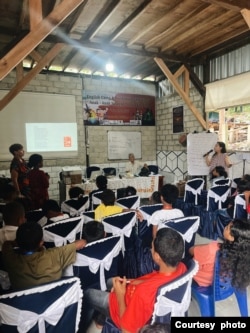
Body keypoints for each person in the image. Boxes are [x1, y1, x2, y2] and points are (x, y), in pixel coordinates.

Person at [84, 228, 186, 332]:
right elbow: (153, 281)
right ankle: (100, 321)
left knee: (87, 293)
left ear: (157, 257)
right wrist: (131, 282)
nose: (151, 249)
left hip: (122, 306)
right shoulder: (182, 267)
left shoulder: (143, 292)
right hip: (134, 293)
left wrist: (120, 295)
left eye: (152, 247)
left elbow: (126, 330)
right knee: (109, 282)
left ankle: (92, 323)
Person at [2, 221, 86, 290]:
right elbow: (82, 243)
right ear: (41, 242)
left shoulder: (11, 259)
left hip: (23, 306)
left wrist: (15, 243)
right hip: (53, 303)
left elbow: (6, 244)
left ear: (18, 242)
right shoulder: (55, 255)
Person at [189, 218, 250, 289]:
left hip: (203, 282)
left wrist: (205, 247)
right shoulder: (245, 254)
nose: (225, 227)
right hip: (223, 282)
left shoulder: (214, 249)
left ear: (232, 238)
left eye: (227, 228)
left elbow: (191, 251)